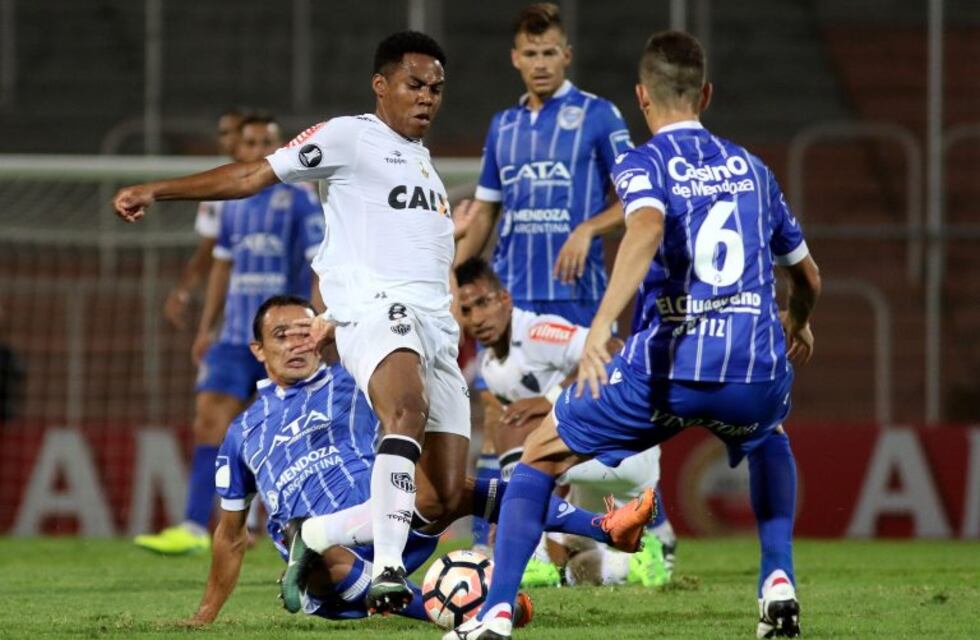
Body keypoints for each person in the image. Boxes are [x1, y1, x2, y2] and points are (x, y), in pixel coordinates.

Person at [447, 31, 821, 640]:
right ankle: (777, 579)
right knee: (767, 435)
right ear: (705, 93)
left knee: (539, 455)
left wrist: (600, 328)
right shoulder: (754, 169)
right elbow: (806, 274)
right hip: (751, 367)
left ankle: (494, 615)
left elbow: (644, 227)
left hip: (665, 369)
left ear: (643, 97)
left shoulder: (643, 162)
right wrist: (799, 321)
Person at [116, 31, 480, 614]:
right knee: (403, 409)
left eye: (436, 88)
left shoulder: (423, 165)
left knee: (440, 497)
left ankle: (317, 534)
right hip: (376, 311)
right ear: (381, 85)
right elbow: (250, 176)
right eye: (415, 85)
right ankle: (387, 570)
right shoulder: (349, 136)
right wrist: (158, 189)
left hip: (435, 327)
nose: (427, 98)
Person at [193, 296, 646, 626]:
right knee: (310, 547)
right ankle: (446, 610)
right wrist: (206, 615)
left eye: (303, 332)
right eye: (280, 336)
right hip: (329, 566)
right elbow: (230, 536)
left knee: (454, 488)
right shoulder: (242, 433)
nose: (296, 344)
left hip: (390, 519)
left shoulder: (352, 380)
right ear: (258, 350)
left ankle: (603, 527)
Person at [133, 114, 325, 555]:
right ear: (236, 151)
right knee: (208, 420)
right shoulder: (227, 204)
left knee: (272, 429)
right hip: (235, 334)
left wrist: (317, 322)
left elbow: (318, 266)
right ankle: (194, 526)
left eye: (268, 141)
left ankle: (268, 523)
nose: (259, 148)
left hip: (282, 336)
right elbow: (222, 265)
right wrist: (206, 327)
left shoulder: (299, 199)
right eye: (251, 141)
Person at [455, 256, 669, 589]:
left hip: (622, 449)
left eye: (483, 302)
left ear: (505, 300)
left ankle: (533, 555)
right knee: (579, 566)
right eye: (466, 310)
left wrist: (551, 397)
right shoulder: (489, 366)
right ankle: (641, 557)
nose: (477, 318)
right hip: (589, 470)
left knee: (511, 426)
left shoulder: (535, 332)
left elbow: (614, 347)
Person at [453, 3, 632, 327]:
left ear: (567, 55)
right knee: (499, 380)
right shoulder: (503, 125)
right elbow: (485, 212)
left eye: (549, 53)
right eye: (531, 54)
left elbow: (637, 203)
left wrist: (587, 228)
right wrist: (450, 279)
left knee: (587, 379)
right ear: (515, 58)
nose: (540, 64)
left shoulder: (599, 116)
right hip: (508, 297)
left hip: (578, 295)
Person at [163, 108, 247, 330]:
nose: (230, 139)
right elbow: (209, 247)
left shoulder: (289, 186)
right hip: (233, 298)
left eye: (236, 131)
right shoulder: (216, 187)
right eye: (224, 133)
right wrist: (183, 290)